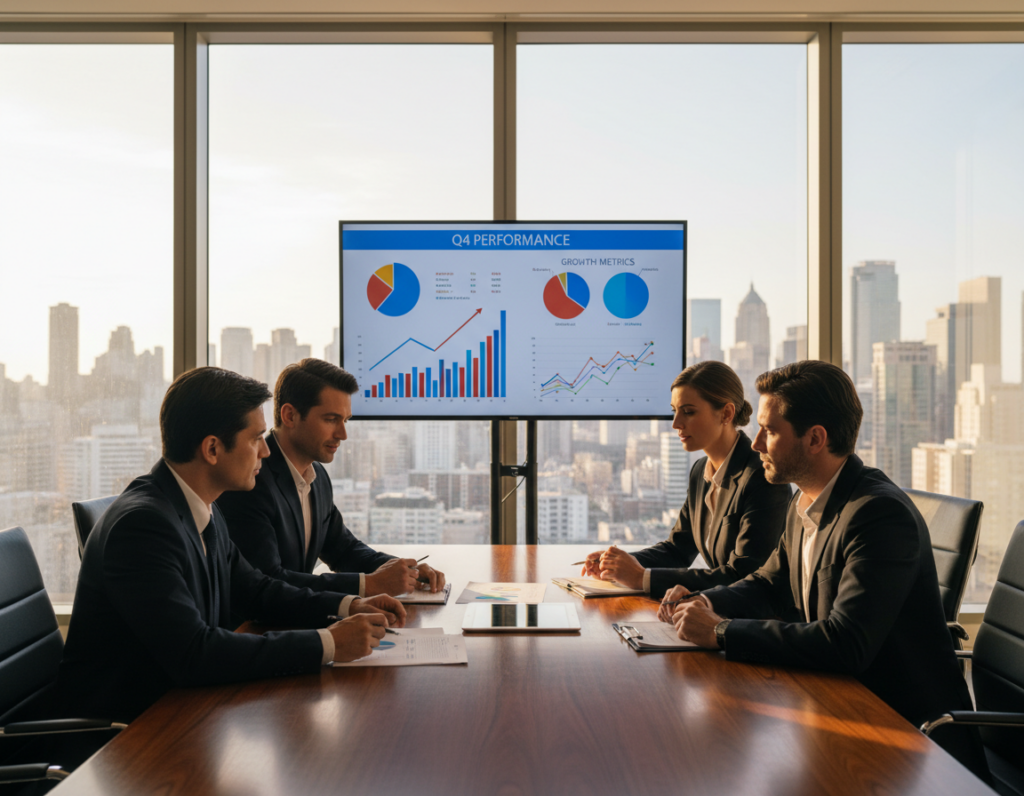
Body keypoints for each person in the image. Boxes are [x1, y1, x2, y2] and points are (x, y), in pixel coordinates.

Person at [667, 360, 988, 780]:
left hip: (910, 743)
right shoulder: (806, 502)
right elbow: (769, 583)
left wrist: (720, 631)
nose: (756, 443)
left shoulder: (878, 515)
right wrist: (705, 601)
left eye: (770, 430)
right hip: (838, 706)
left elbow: (845, 642)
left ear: (815, 438)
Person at [56, 367, 406, 723]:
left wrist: (351, 606)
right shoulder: (143, 527)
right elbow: (194, 653)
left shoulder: (201, 507)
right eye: (256, 439)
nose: (265, 452)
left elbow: (257, 590)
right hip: (121, 737)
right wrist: (327, 644)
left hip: (183, 711)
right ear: (212, 449)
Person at [217, 358, 445, 598]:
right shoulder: (249, 480)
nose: (343, 434)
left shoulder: (318, 477)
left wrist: (406, 569)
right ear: (290, 416)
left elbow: (343, 550)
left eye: (345, 420)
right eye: (331, 419)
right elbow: (269, 580)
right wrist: (367, 586)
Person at [581, 361, 791, 597]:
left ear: (726, 413)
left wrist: (642, 577)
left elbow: (743, 575)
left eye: (688, 412)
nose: (676, 424)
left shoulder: (762, 478)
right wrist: (618, 563)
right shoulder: (700, 471)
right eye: (675, 411)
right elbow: (678, 549)